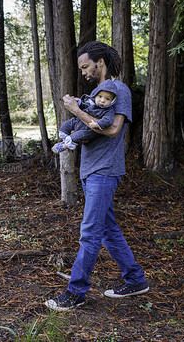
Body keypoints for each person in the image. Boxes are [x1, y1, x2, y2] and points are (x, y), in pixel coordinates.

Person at [45, 41, 149, 311]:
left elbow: (113, 130)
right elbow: (87, 127)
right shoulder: (99, 94)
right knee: (107, 230)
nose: (83, 72)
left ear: (100, 62)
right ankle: (136, 280)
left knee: (90, 233)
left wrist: (76, 111)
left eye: (86, 67)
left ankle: (76, 292)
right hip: (92, 171)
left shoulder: (118, 90)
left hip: (104, 171)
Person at [52, 79, 117, 154]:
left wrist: (97, 124)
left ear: (112, 101)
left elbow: (108, 120)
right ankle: (64, 139)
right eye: (100, 96)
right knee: (66, 125)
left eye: (107, 99)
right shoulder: (92, 103)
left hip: (88, 130)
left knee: (78, 135)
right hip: (78, 121)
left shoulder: (108, 111)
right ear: (95, 95)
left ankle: (64, 146)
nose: (102, 100)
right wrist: (78, 102)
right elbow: (85, 106)